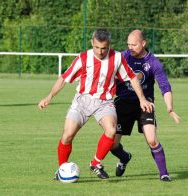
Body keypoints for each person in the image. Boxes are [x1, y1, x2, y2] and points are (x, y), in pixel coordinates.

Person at [38, 29, 154, 180]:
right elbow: (63, 78)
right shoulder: (83, 58)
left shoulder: (117, 57)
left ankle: (95, 163)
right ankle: (62, 169)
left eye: (104, 48)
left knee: (111, 130)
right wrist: (49, 97)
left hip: (104, 102)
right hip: (82, 100)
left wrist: (142, 99)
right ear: (92, 43)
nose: (100, 52)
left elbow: (132, 78)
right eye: (97, 48)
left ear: (109, 45)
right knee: (67, 135)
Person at [110, 30, 180, 182]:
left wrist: (170, 108)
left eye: (134, 44)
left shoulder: (153, 63)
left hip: (145, 105)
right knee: (112, 144)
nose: (130, 47)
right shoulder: (122, 57)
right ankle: (124, 157)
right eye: (128, 44)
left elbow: (165, 87)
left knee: (152, 139)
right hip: (123, 103)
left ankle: (164, 174)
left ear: (143, 43)